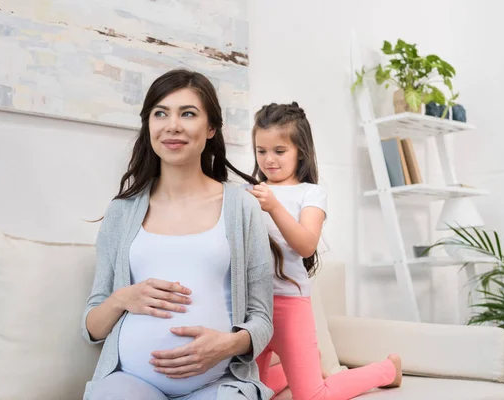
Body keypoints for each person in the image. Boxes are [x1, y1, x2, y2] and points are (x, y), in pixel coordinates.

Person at [81, 69, 281, 400]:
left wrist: (228, 344)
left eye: (187, 113)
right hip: (130, 381)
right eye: (161, 113)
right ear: (149, 125)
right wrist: (122, 298)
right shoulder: (121, 212)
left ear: (211, 127)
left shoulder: (241, 208)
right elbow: (91, 327)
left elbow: (262, 318)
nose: (172, 125)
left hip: (216, 384)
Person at [248, 102, 403, 400]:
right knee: (251, 392)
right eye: (261, 151)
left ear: (300, 152)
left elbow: (306, 244)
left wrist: (273, 206)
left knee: (312, 396)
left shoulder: (310, 193)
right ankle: (304, 366)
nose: (269, 160)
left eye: (279, 151)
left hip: (290, 305)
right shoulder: (249, 192)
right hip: (254, 306)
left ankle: (386, 370)